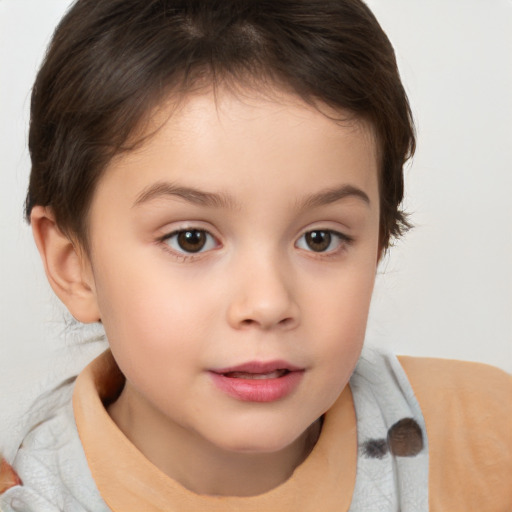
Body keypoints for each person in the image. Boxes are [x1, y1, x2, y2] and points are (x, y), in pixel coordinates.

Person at [0, 0, 510, 510]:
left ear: (377, 241)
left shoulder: (484, 439)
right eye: (191, 239)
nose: (267, 304)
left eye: (320, 238)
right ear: (74, 265)